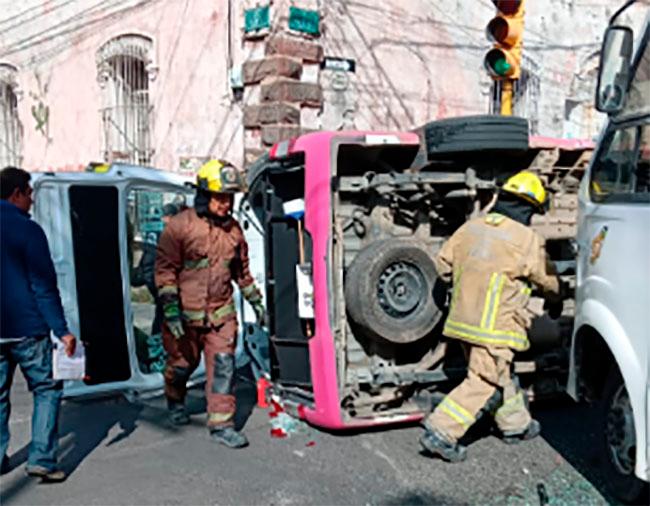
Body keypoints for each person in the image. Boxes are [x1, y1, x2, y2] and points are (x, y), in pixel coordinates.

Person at [419, 171, 565, 462]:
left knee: (500, 373)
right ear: (529, 208)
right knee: (484, 381)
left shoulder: (470, 228)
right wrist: (557, 297)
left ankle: (516, 425)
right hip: (494, 328)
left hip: (461, 322)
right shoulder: (527, 239)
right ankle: (441, 431)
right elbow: (547, 280)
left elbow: (443, 267)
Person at [155, 160, 264, 448]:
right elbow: (164, 272)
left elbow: (243, 274)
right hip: (184, 317)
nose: (226, 204)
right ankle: (175, 401)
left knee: (223, 368)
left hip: (221, 316)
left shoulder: (234, 231)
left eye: (229, 198)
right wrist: (171, 312)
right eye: (220, 198)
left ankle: (221, 425)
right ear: (204, 196)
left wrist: (259, 305)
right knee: (181, 366)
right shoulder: (179, 227)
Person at [0, 167, 77, 482]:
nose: (32, 200)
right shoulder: (27, 230)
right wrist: (62, 330)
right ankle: (42, 459)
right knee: (47, 389)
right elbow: (43, 286)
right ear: (16, 193)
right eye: (29, 193)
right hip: (28, 330)